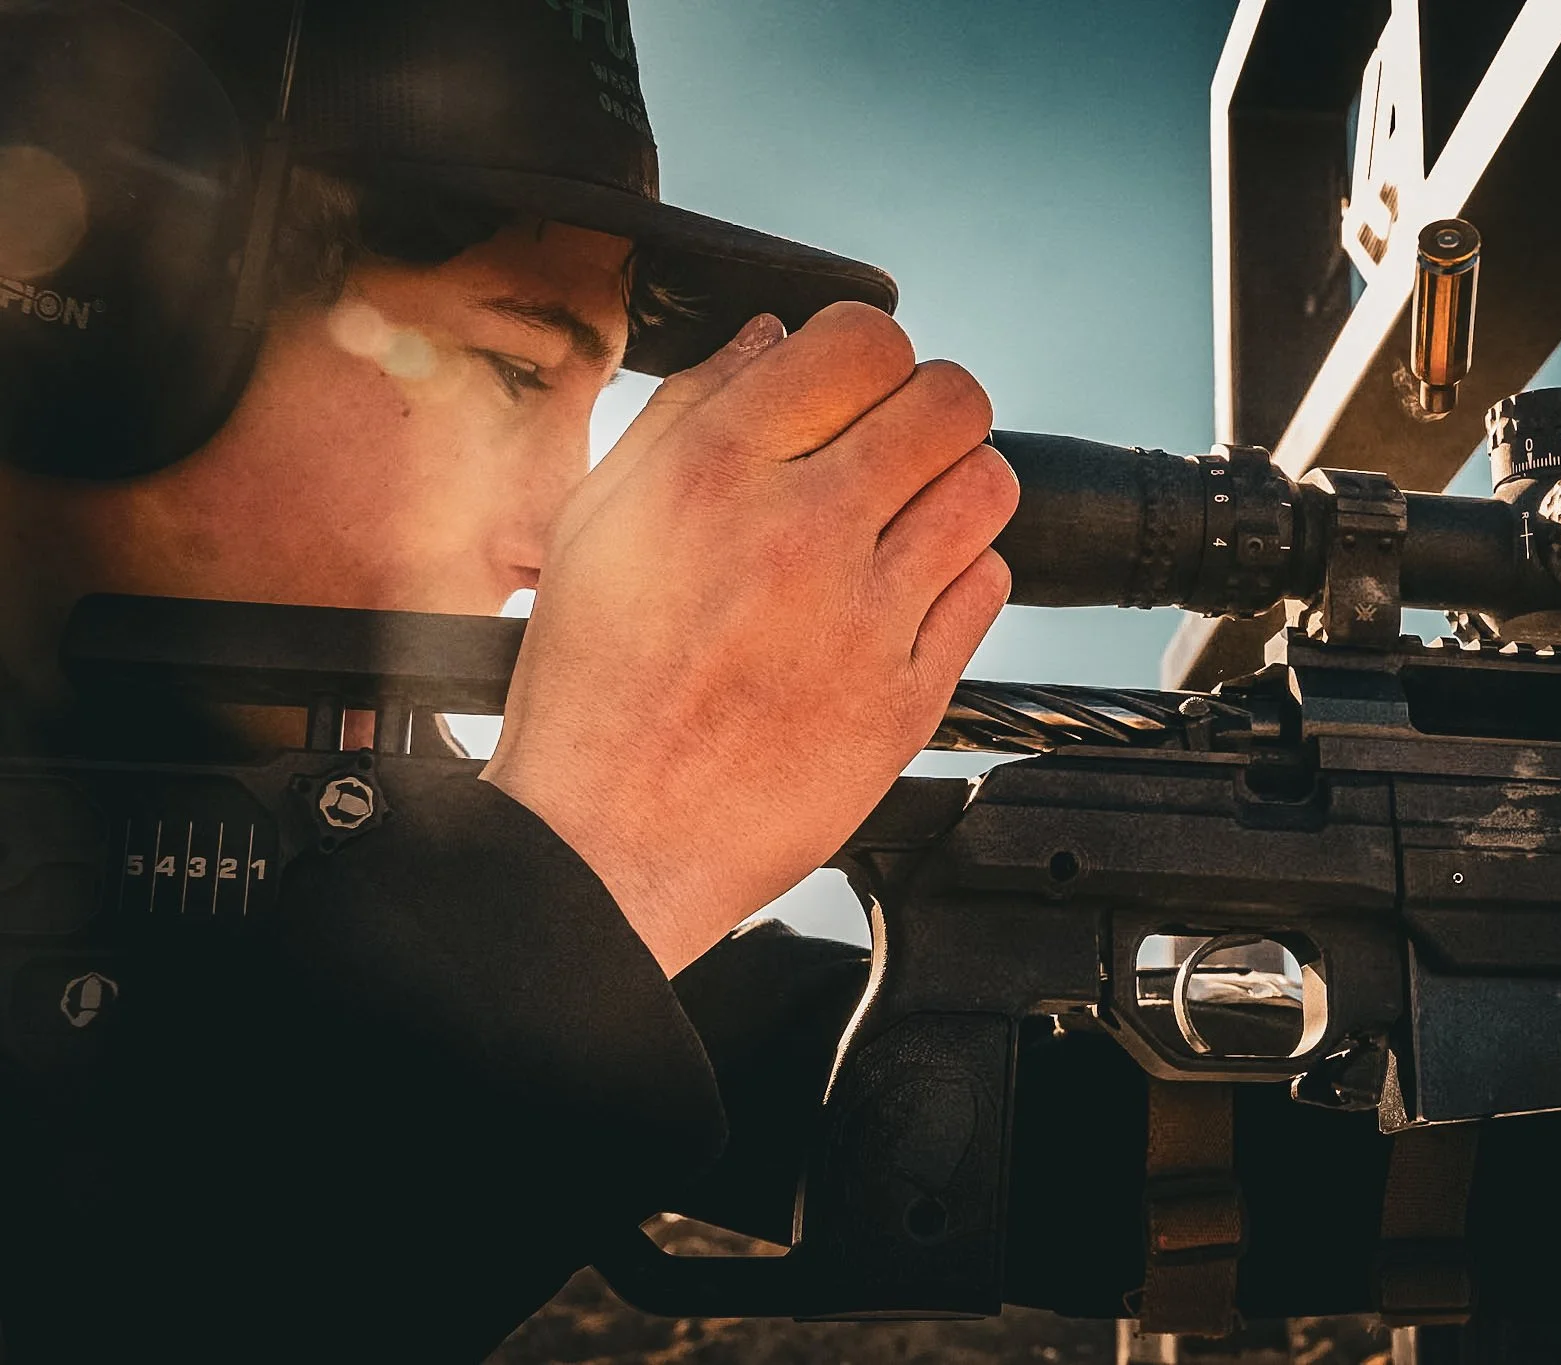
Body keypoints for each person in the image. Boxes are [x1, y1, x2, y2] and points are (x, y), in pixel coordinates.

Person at [0, 0, 1010, 1358]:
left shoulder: (266, 795)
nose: (551, 540)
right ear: (108, 286)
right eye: (510, 368)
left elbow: (810, 1064)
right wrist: (594, 876)